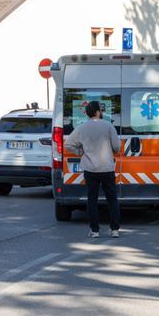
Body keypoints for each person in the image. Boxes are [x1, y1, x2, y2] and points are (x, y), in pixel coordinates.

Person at [63, 100, 121, 238]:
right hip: (107, 168)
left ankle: (94, 231)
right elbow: (117, 147)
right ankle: (114, 230)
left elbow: (68, 144)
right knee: (112, 199)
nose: (101, 112)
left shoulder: (81, 128)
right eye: (100, 110)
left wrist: (80, 152)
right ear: (97, 112)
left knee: (92, 200)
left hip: (90, 169)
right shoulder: (108, 126)